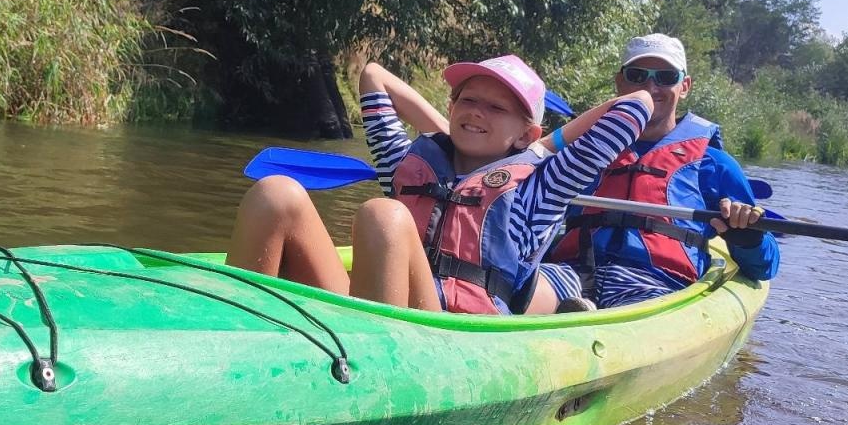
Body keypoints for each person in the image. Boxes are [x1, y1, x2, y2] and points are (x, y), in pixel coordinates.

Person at [226, 54, 652, 314]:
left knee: (383, 214)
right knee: (276, 193)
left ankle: (371, 378)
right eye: (468, 101)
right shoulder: (407, 163)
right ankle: (237, 337)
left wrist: (540, 147)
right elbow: (374, 77)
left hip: (451, 330)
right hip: (377, 303)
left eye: (495, 108)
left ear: (526, 131)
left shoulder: (544, 186)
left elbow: (638, 104)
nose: (477, 112)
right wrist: (450, 130)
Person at [546, 33, 779, 308]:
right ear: (620, 82)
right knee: (525, 290)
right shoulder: (582, 150)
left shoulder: (715, 164)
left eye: (666, 77)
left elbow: (765, 266)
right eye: (637, 75)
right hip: (568, 273)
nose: (650, 87)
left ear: (685, 86)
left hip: (656, 285)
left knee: (635, 306)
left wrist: (748, 238)